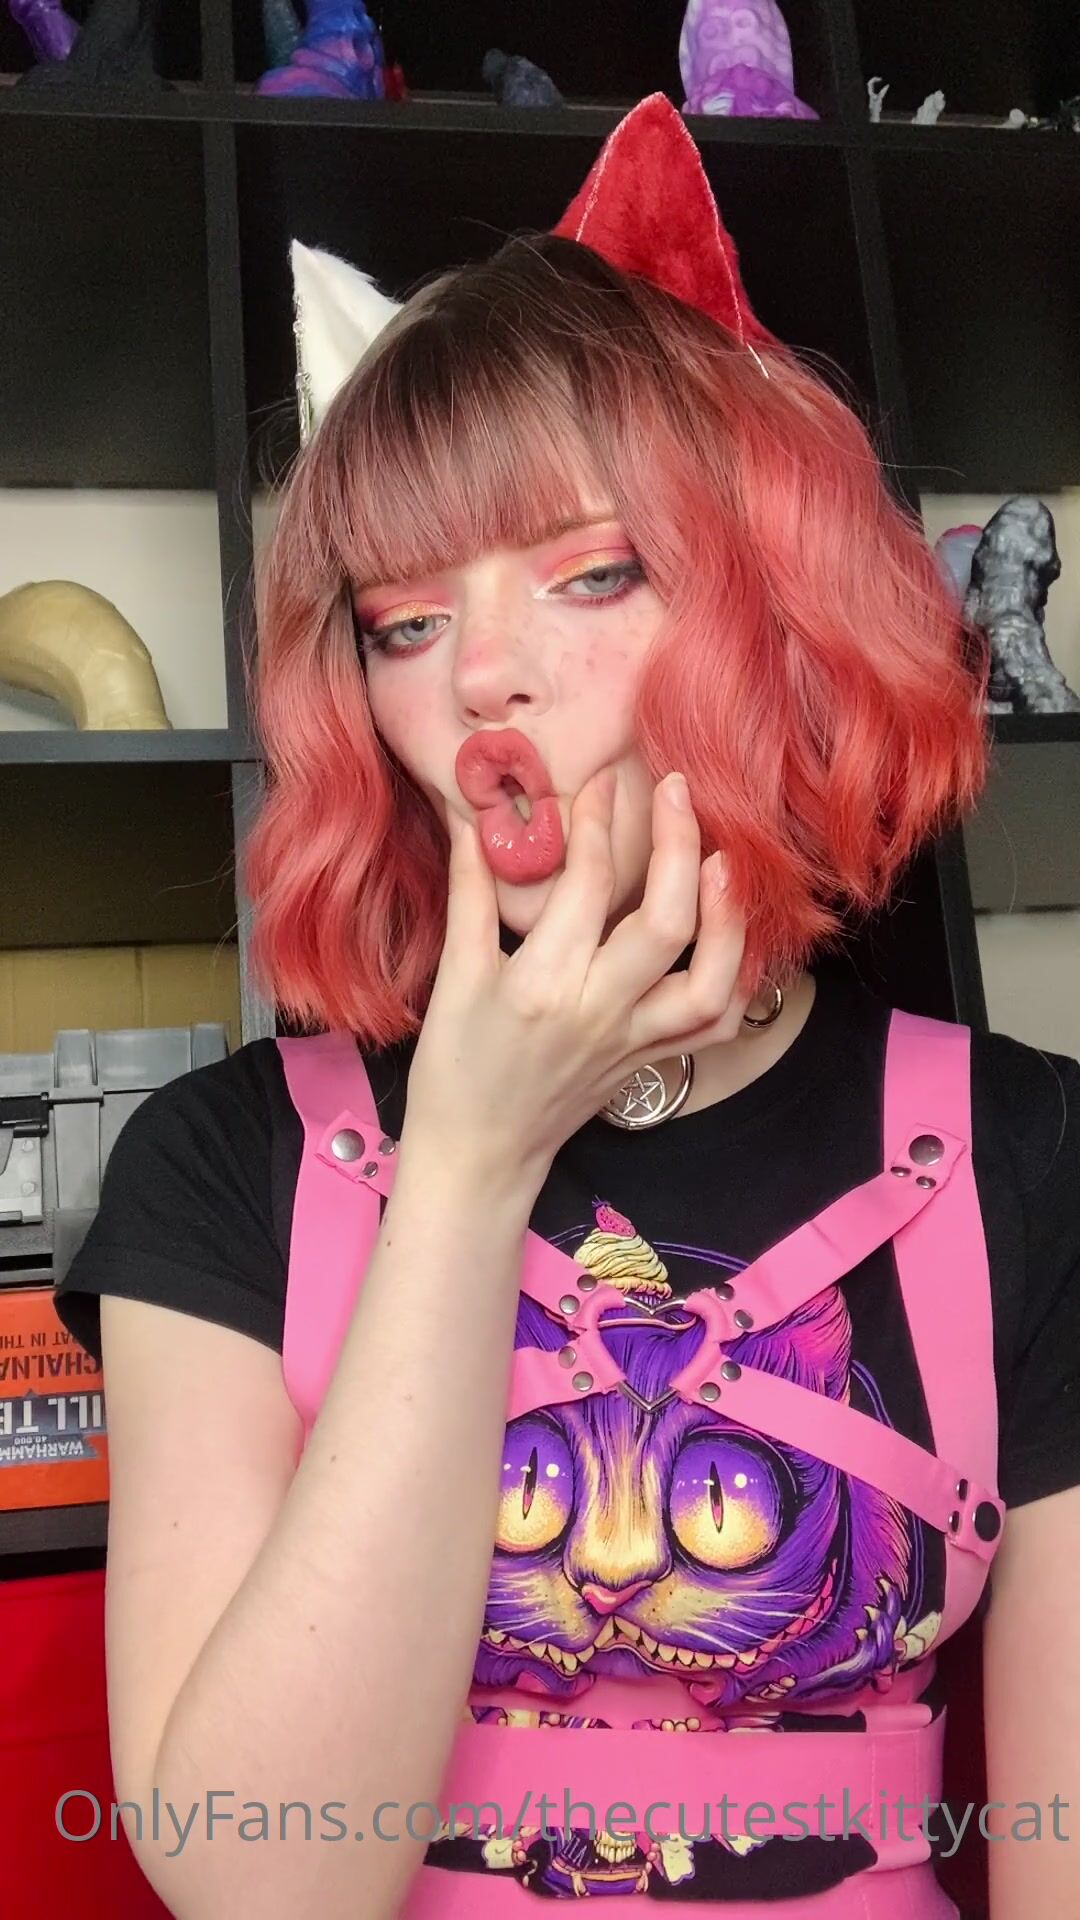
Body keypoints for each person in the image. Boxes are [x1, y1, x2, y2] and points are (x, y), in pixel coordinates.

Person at [53, 94, 1080, 1920]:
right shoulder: (218, 1164)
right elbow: (262, 1886)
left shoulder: (1036, 1154)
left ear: (781, 614)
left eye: (593, 573)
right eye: (406, 620)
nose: (485, 681)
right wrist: (465, 1163)